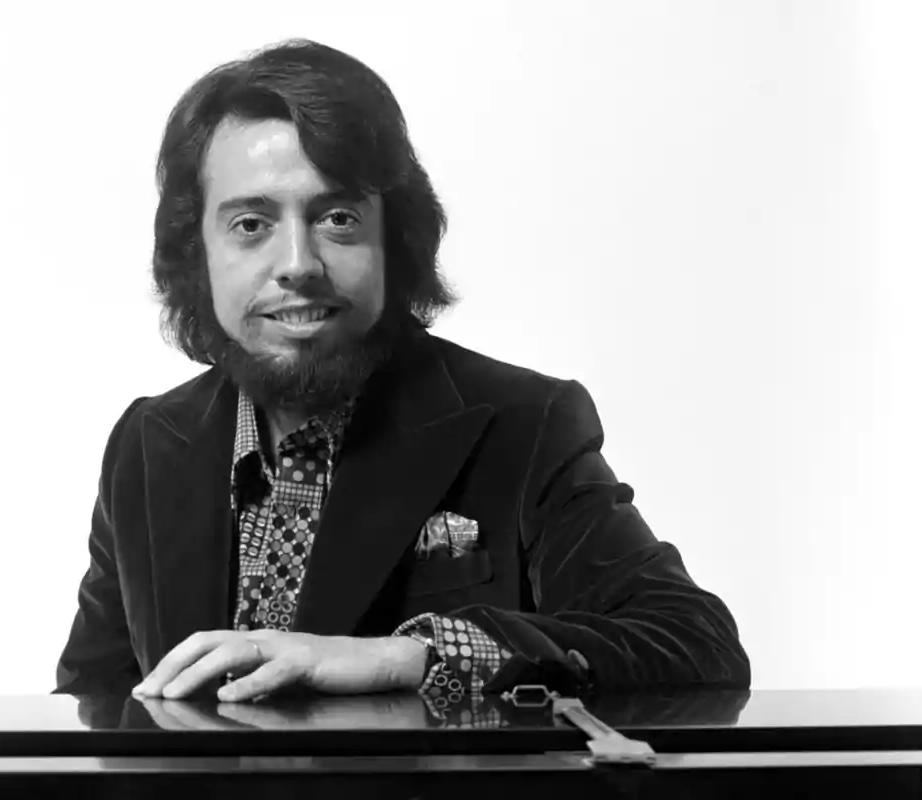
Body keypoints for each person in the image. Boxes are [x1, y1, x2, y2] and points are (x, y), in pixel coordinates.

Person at [54, 38, 750, 707]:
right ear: (194, 253)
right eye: (250, 224)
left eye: (336, 217)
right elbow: (91, 710)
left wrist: (405, 658)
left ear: (395, 239)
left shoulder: (525, 424)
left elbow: (694, 645)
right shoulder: (145, 444)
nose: (298, 263)